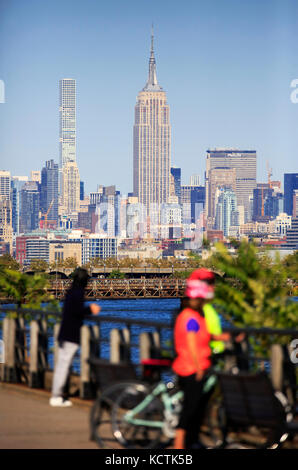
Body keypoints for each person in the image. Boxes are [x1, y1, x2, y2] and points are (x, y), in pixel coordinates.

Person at [172, 268, 243, 449]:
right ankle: (179, 447)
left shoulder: (195, 316)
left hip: (197, 365)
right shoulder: (190, 317)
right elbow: (191, 343)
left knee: (196, 408)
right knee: (190, 409)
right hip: (192, 368)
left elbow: (205, 335)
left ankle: (192, 442)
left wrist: (228, 337)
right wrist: (198, 367)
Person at [49, 267, 100, 407]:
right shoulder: (78, 293)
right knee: (64, 365)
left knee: (62, 365)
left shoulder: (71, 291)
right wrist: (91, 309)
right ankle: (56, 396)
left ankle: (57, 395)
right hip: (71, 334)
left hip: (64, 332)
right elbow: (77, 311)